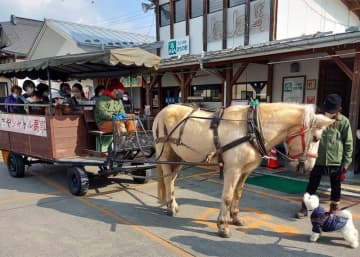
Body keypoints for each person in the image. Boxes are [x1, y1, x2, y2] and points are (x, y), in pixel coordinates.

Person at [296, 94, 353, 218]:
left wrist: (346, 163)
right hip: (317, 158)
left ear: (339, 109)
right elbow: (308, 139)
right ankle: (304, 207)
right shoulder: (316, 119)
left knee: (336, 186)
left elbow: (348, 143)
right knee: (312, 184)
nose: (329, 113)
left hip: (336, 160)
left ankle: (333, 208)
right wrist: (303, 158)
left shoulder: (343, 122)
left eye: (332, 111)